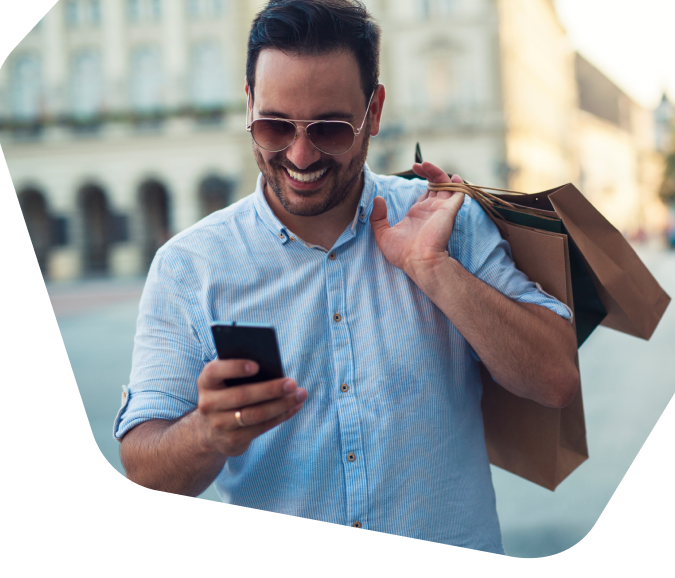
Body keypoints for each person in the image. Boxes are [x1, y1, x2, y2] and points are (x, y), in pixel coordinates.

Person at [116, 0, 578, 554]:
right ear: (248, 106)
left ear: (374, 111)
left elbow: (555, 380)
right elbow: (144, 469)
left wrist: (434, 269)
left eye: (331, 129)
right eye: (274, 125)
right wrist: (208, 433)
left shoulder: (445, 220)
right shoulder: (188, 266)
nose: (301, 154)